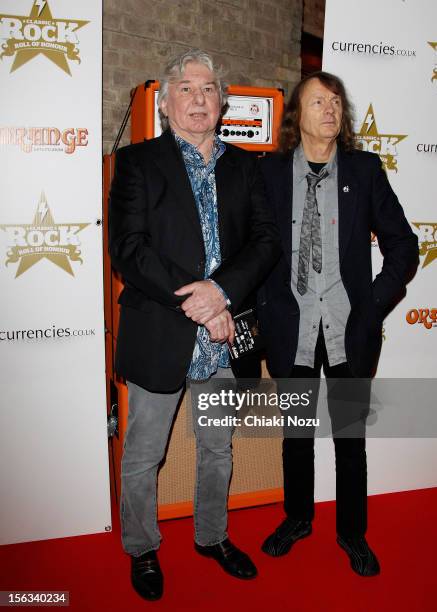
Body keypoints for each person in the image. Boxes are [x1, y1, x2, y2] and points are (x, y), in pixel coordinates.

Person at [109, 49, 280, 601]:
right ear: (165, 102)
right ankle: (142, 546)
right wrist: (201, 299)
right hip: (163, 331)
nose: (199, 97)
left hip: (224, 341)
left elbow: (265, 242)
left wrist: (222, 292)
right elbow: (129, 251)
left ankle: (212, 536)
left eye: (209, 89)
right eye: (186, 87)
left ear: (223, 102)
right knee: (143, 454)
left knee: (218, 448)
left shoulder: (246, 166)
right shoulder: (137, 163)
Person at [257, 71, 419, 576]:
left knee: (351, 441)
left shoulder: (365, 171)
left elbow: (404, 246)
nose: (330, 110)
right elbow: (253, 248)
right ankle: (298, 519)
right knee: (296, 438)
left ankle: (352, 533)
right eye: (318, 102)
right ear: (297, 117)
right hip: (292, 329)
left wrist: (371, 305)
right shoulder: (269, 173)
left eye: (336, 102)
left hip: (350, 331)